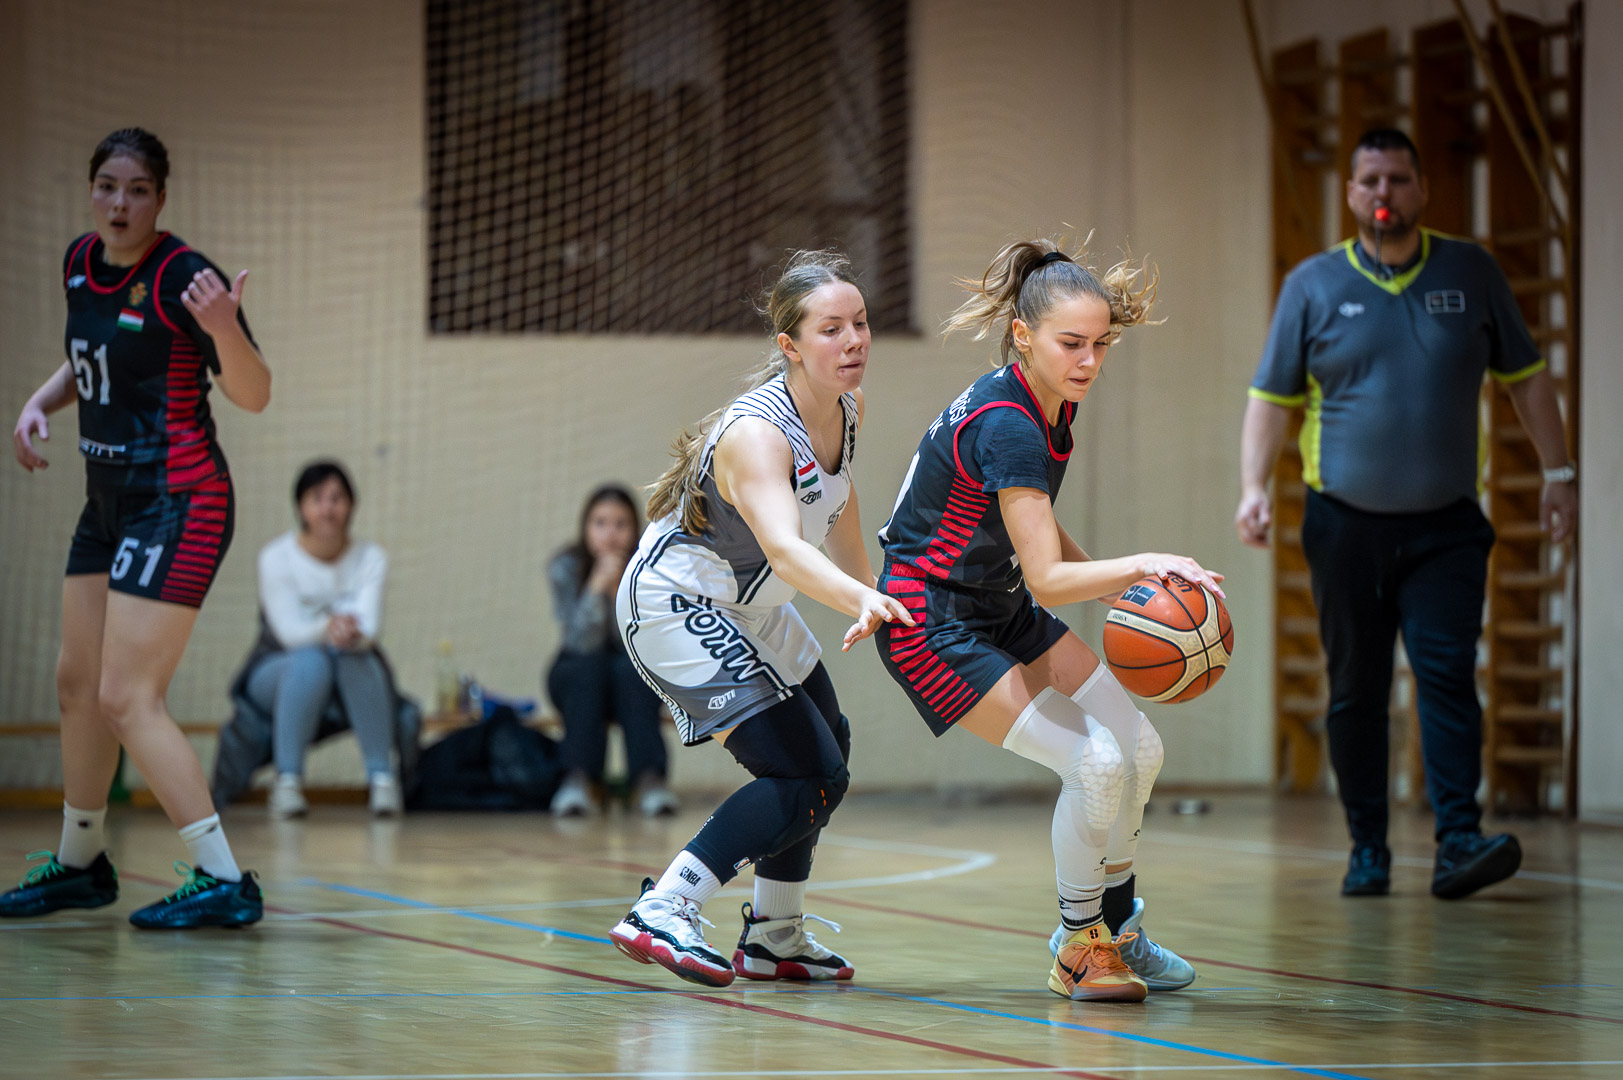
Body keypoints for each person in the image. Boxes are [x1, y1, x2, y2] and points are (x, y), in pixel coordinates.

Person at [875, 238, 1221, 1003]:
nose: (1089, 360)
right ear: (1023, 335)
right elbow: (1045, 577)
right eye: (1072, 343)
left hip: (994, 602)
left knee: (1138, 747)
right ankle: (1077, 945)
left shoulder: (1043, 401)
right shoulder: (1008, 422)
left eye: (1101, 344)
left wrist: (1108, 589)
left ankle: (1117, 927)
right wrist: (1140, 566)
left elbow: (1030, 522)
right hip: (929, 620)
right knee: (1092, 763)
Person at [1236, 128, 1578, 900]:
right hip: (1343, 525)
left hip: (1446, 526)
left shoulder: (1470, 271)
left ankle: (1458, 841)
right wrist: (1251, 486)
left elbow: (1526, 377)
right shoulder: (1312, 284)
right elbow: (1271, 398)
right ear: (1350, 195)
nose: (1382, 193)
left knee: (1446, 675)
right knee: (1355, 688)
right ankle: (1367, 847)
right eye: (1369, 181)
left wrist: (1558, 474)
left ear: (1422, 190)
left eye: (1396, 179)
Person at [608, 250, 911, 988]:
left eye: (861, 323)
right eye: (831, 329)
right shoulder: (758, 433)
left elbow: (837, 504)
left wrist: (871, 588)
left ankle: (775, 934)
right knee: (803, 770)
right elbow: (784, 547)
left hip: (752, 600)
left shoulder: (847, 408)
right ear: (789, 345)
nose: (853, 340)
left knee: (828, 747)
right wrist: (855, 598)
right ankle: (666, 906)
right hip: (680, 600)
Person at [3, 128, 271, 928]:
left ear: (160, 199)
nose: (120, 203)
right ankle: (81, 864)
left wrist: (225, 327)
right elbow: (93, 358)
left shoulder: (186, 277)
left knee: (126, 695)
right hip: (107, 501)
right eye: (107, 186)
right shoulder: (78, 261)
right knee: (77, 685)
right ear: (92, 190)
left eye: (138, 190)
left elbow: (255, 394)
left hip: (179, 500)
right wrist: (40, 401)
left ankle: (224, 879)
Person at [249, 460, 399, 818]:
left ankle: (382, 780)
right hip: (278, 668)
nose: (327, 509)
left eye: (336, 498)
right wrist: (327, 628)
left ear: (351, 505)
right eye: (317, 499)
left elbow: (370, 628)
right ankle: (287, 783)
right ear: (300, 506)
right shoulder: (276, 557)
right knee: (311, 660)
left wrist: (350, 634)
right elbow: (288, 633)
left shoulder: (371, 557)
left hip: (348, 660)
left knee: (355, 655)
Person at [546, 484, 677, 817]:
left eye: (621, 524)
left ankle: (648, 781)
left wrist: (620, 590)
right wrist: (595, 588)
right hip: (576, 672)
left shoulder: (650, 567)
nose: (610, 534)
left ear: (635, 530)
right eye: (600, 523)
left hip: (631, 670)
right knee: (587, 669)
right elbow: (578, 642)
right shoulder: (565, 566)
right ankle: (578, 780)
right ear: (585, 527)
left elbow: (639, 643)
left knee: (631, 671)